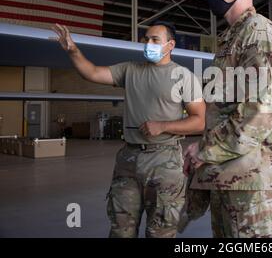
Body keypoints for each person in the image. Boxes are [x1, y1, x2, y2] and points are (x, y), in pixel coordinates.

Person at [51, 21, 205, 238]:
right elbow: (93, 73)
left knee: (161, 230)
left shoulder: (184, 76)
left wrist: (164, 126)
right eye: (146, 39)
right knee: (121, 228)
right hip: (129, 160)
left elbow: (200, 121)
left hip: (164, 160)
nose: (147, 43)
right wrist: (73, 50)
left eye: (154, 40)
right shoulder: (130, 70)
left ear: (170, 45)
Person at [183, 0, 272, 238]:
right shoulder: (231, 38)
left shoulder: (259, 33)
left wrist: (205, 150)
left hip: (251, 183)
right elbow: (223, 110)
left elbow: (262, 110)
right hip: (227, 176)